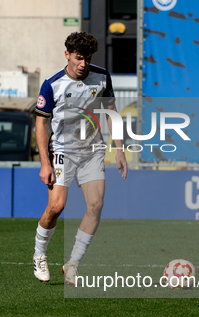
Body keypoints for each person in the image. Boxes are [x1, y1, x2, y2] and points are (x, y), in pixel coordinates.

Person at [32, 32, 127, 284]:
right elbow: (41, 123)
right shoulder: (52, 84)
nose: (83, 63)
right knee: (56, 207)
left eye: (87, 58)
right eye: (78, 58)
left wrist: (119, 149)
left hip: (92, 151)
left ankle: (73, 263)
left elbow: (111, 111)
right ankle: (39, 254)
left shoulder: (102, 76)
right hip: (62, 151)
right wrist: (44, 162)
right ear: (67, 55)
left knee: (95, 206)